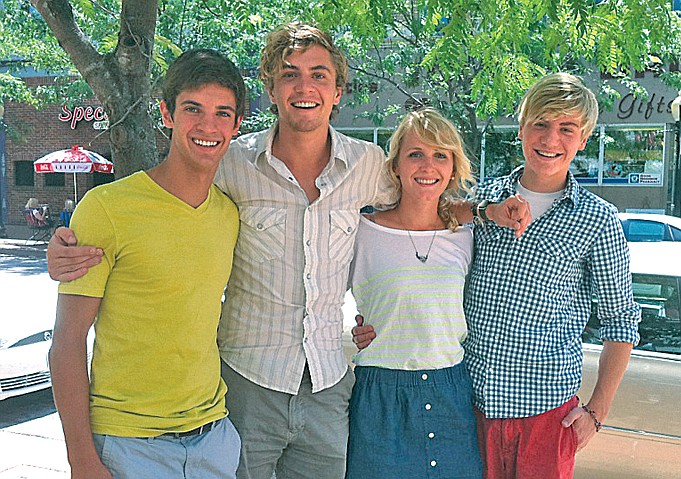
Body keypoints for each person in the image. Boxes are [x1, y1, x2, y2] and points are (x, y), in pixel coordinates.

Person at [46, 23, 529, 479]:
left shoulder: (368, 166)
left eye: (319, 75)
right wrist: (69, 245)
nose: (305, 87)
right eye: (289, 75)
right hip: (245, 385)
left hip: (328, 384)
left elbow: (422, 196)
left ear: (337, 91)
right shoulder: (229, 161)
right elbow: (162, 203)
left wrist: (485, 212)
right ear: (271, 89)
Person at [353, 73, 641, 479]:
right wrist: (372, 323)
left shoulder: (598, 219)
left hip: (546, 414)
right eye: (540, 124)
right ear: (522, 128)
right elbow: (418, 235)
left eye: (566, 129)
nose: (550, 139)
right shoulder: (481, 204)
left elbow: (620, 321)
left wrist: (596, 412)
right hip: (470, 406)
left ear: (585, 137)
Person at [48, 48, 245, 479]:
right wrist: (80, 458)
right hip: (127, 444)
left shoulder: (230, 214)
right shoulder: (107, 208)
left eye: (222, 113)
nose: (208, 125)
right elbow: (66, 342)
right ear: (166, 113)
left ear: (236, 125)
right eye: (192, 108)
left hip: (213, 437)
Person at [345, 108, 482, 478]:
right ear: (396, 167)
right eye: (415, 154)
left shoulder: (465, 237)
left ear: (453, 168)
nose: (428, 165)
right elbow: (320, 296)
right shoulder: (362, 231)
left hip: (450, 388)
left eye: (441, 155)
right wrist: (349, 337)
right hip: (380, 391)